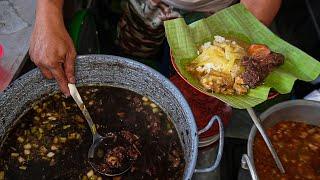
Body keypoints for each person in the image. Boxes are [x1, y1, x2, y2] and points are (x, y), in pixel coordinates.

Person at [29, 0, 282, 96]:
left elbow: (260, 7)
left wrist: (230, 58)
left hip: (211, 16)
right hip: (145, 5)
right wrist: (48, 12)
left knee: (184, 78)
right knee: (132, 51)